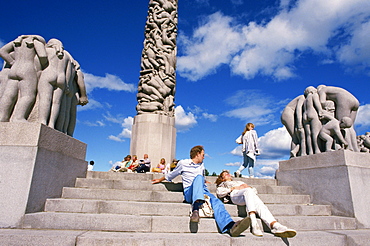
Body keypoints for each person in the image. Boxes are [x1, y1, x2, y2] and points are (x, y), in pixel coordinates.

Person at [152, 145, 251, 237]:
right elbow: (171, 175)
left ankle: (230, 226)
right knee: (198, 177)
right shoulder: (183, 163)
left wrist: (206, 181)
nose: (204, 157)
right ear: (197, 154)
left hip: (203, 191)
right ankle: (195, 209)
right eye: (203, 155)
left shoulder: (201, 165)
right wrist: (159, 180)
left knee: (217, 202)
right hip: (190, 191)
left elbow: (202, 178)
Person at [215, 170, 297, 238]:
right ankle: (254, 222)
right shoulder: (223, 184)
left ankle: (275, 225)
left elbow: (254, 190)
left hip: (247, 194)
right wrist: (233, 188)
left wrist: (248, 187)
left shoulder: (239, 181)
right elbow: (219, 193)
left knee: (256, 200)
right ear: (222, 178)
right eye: (226, 174)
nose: (229, 175)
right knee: (249, 192)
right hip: (235, 196)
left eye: (229, 173)